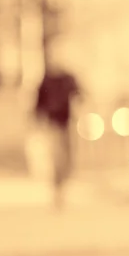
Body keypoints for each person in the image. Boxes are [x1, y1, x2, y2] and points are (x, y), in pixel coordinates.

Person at [34, 49, 82, 210]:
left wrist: (78, 108)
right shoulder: (46, 80)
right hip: (52, 124)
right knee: (56, 158)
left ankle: (63, 188)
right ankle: (57, 191)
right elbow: (38, 104)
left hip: (68, 123)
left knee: (68, 157)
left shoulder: (69, 78)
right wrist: (39, 122)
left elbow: (80, 96)